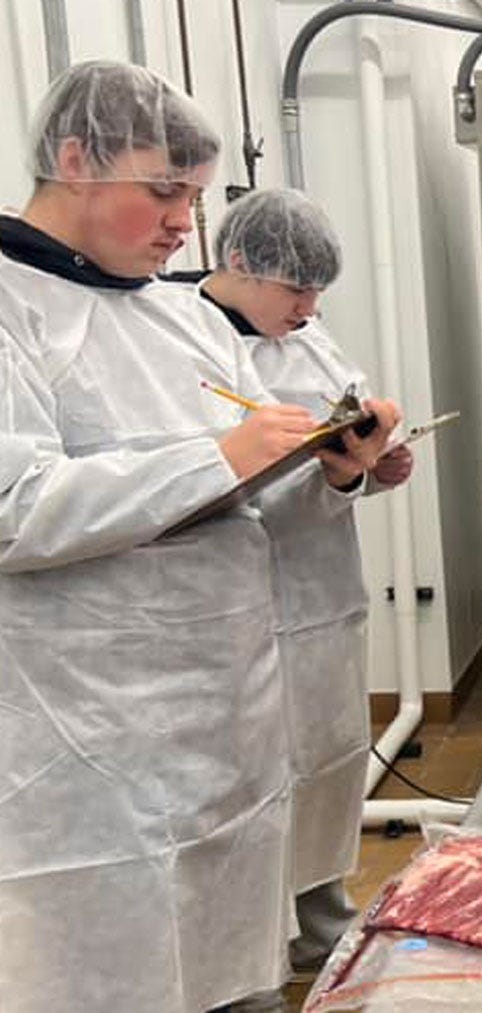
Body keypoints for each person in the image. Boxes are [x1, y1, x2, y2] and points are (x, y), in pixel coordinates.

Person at [0, 62, 397, 1012]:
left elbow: (256, 491)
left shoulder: (183, 319)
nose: (187, 223)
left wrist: (334, 465)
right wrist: (215, 459)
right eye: (164, 191)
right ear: (74, 161)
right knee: (112, 975)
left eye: (196, 197)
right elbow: (15, 505)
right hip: (90, 740)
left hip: (231, 727)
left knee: (236, 966)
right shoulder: (14, 307)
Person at [184, 187, 415, 983]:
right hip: (229, 604)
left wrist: (371, 466)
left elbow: (340, 439)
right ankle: (250, 957)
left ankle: (321, 926)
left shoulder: (309, 339)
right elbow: (182, 481)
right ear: (239, 261)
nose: (308, 307)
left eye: (318, 292)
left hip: (321, 593)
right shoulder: (181, 337)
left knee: (325, 758)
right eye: (295, 290)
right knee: (247, 788)